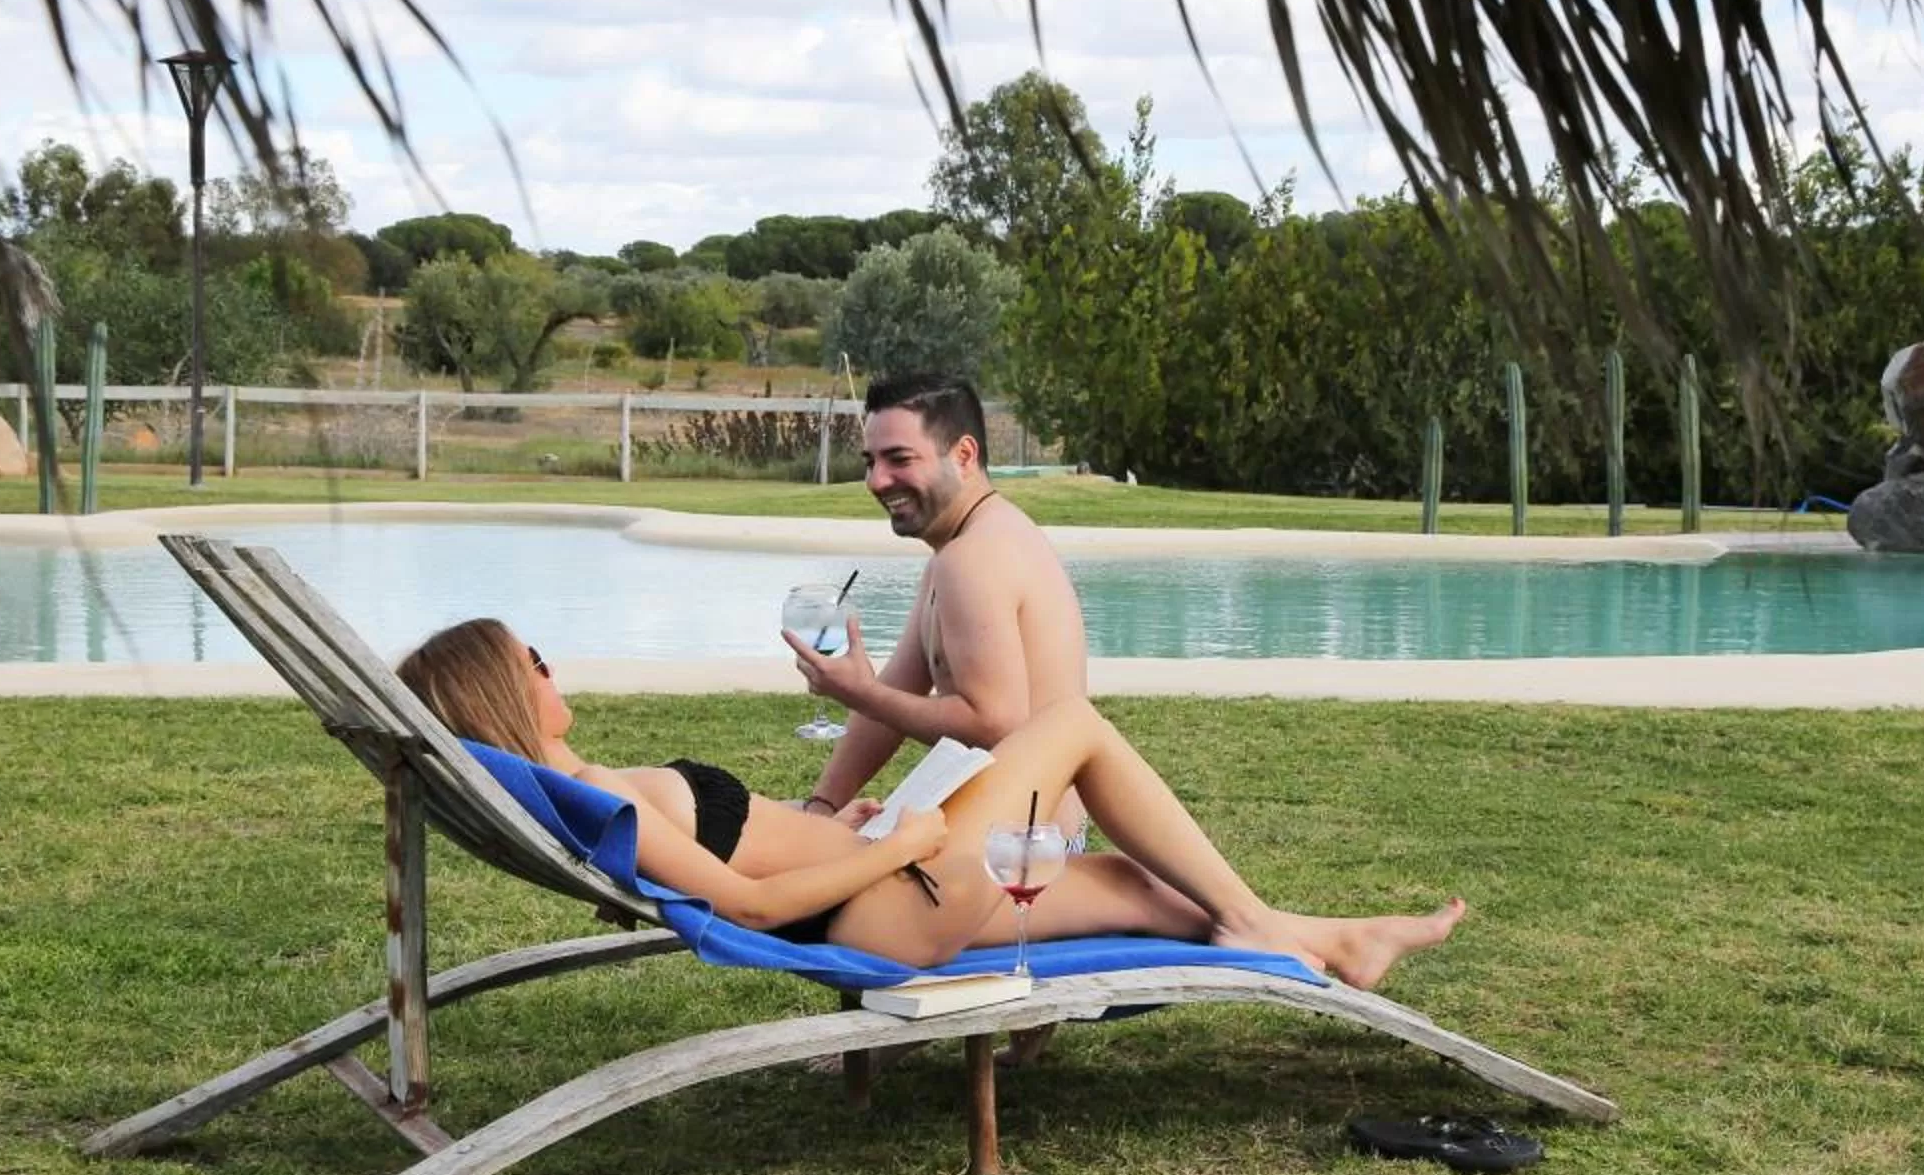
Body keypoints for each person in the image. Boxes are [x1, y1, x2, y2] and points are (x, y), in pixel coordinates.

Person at [396, 617, 1466, 990]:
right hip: (889, 902)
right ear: (505, 690)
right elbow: (751, 907)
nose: (550, 662)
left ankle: (1334, 940)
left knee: (1133, 885)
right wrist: (896, 839)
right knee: (1075, 725)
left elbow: (752, 867)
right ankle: (1264, 923)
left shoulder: (584, 786)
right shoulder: (588, 790)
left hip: (872, 876)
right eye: (530, 656)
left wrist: (839, 827)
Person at [785, 372, 1091, 837]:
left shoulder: (974, 557)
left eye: (899, 459)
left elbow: (996, 725)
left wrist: (858, 692)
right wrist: (823, 807)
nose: (877, 480)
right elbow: (896, 691)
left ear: (963, 455)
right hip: (1005, 832)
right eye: (871, 461)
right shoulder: (956, 552)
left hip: (1019, 854)